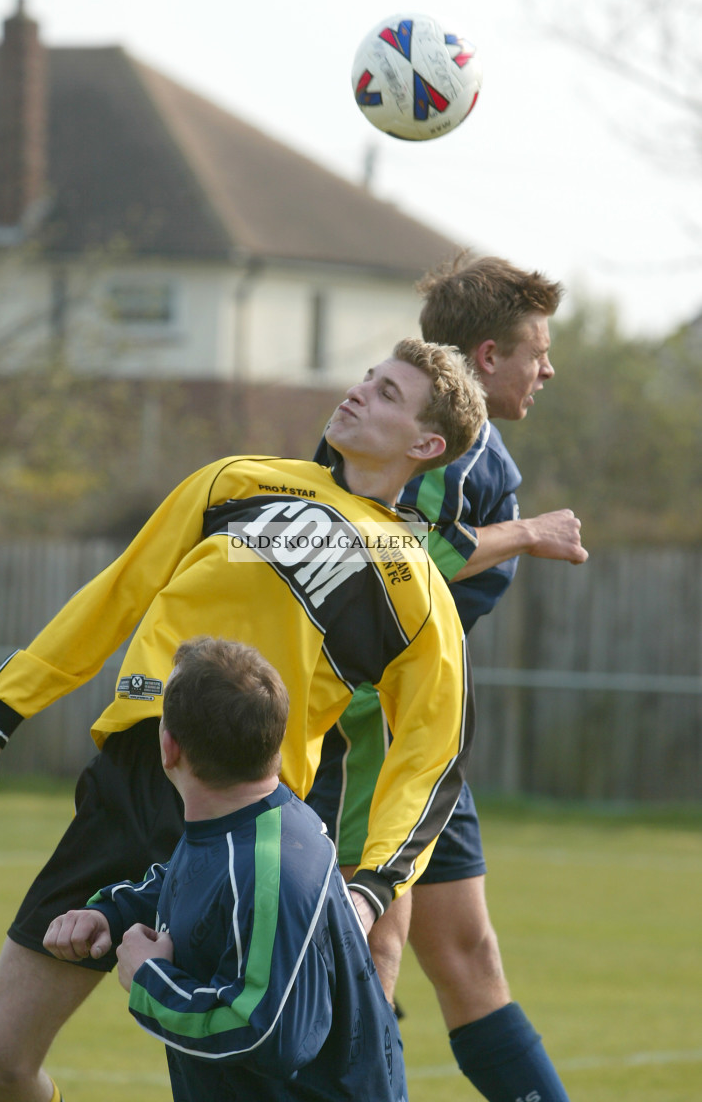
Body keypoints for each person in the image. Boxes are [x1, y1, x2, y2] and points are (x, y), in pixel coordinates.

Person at [0, 336, 486, 1102]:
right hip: (133, 782)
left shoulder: (413, 583)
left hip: (241, 833)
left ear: (425, 445)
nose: (358, 393)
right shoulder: (237, 480)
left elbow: (431, 756)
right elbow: (116, 596)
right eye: (366, 379)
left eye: (387, 395)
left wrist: (371, 886)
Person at [308, 255, 589, 1102]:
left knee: (467, 959)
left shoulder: (464, 445)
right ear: (487, 354)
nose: (548, 367)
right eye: (536, 349)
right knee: (373, 952)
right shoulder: (446, 444)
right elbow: (383, 555)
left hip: (423, 727)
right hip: (372, 728)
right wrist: (524, 532)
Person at [43, 635, 408, 1102]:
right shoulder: (245, 822)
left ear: (169, 747)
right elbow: (191, 881)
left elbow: (267, 1034)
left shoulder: (270, 865)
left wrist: (152, 980)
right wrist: (111, 916)